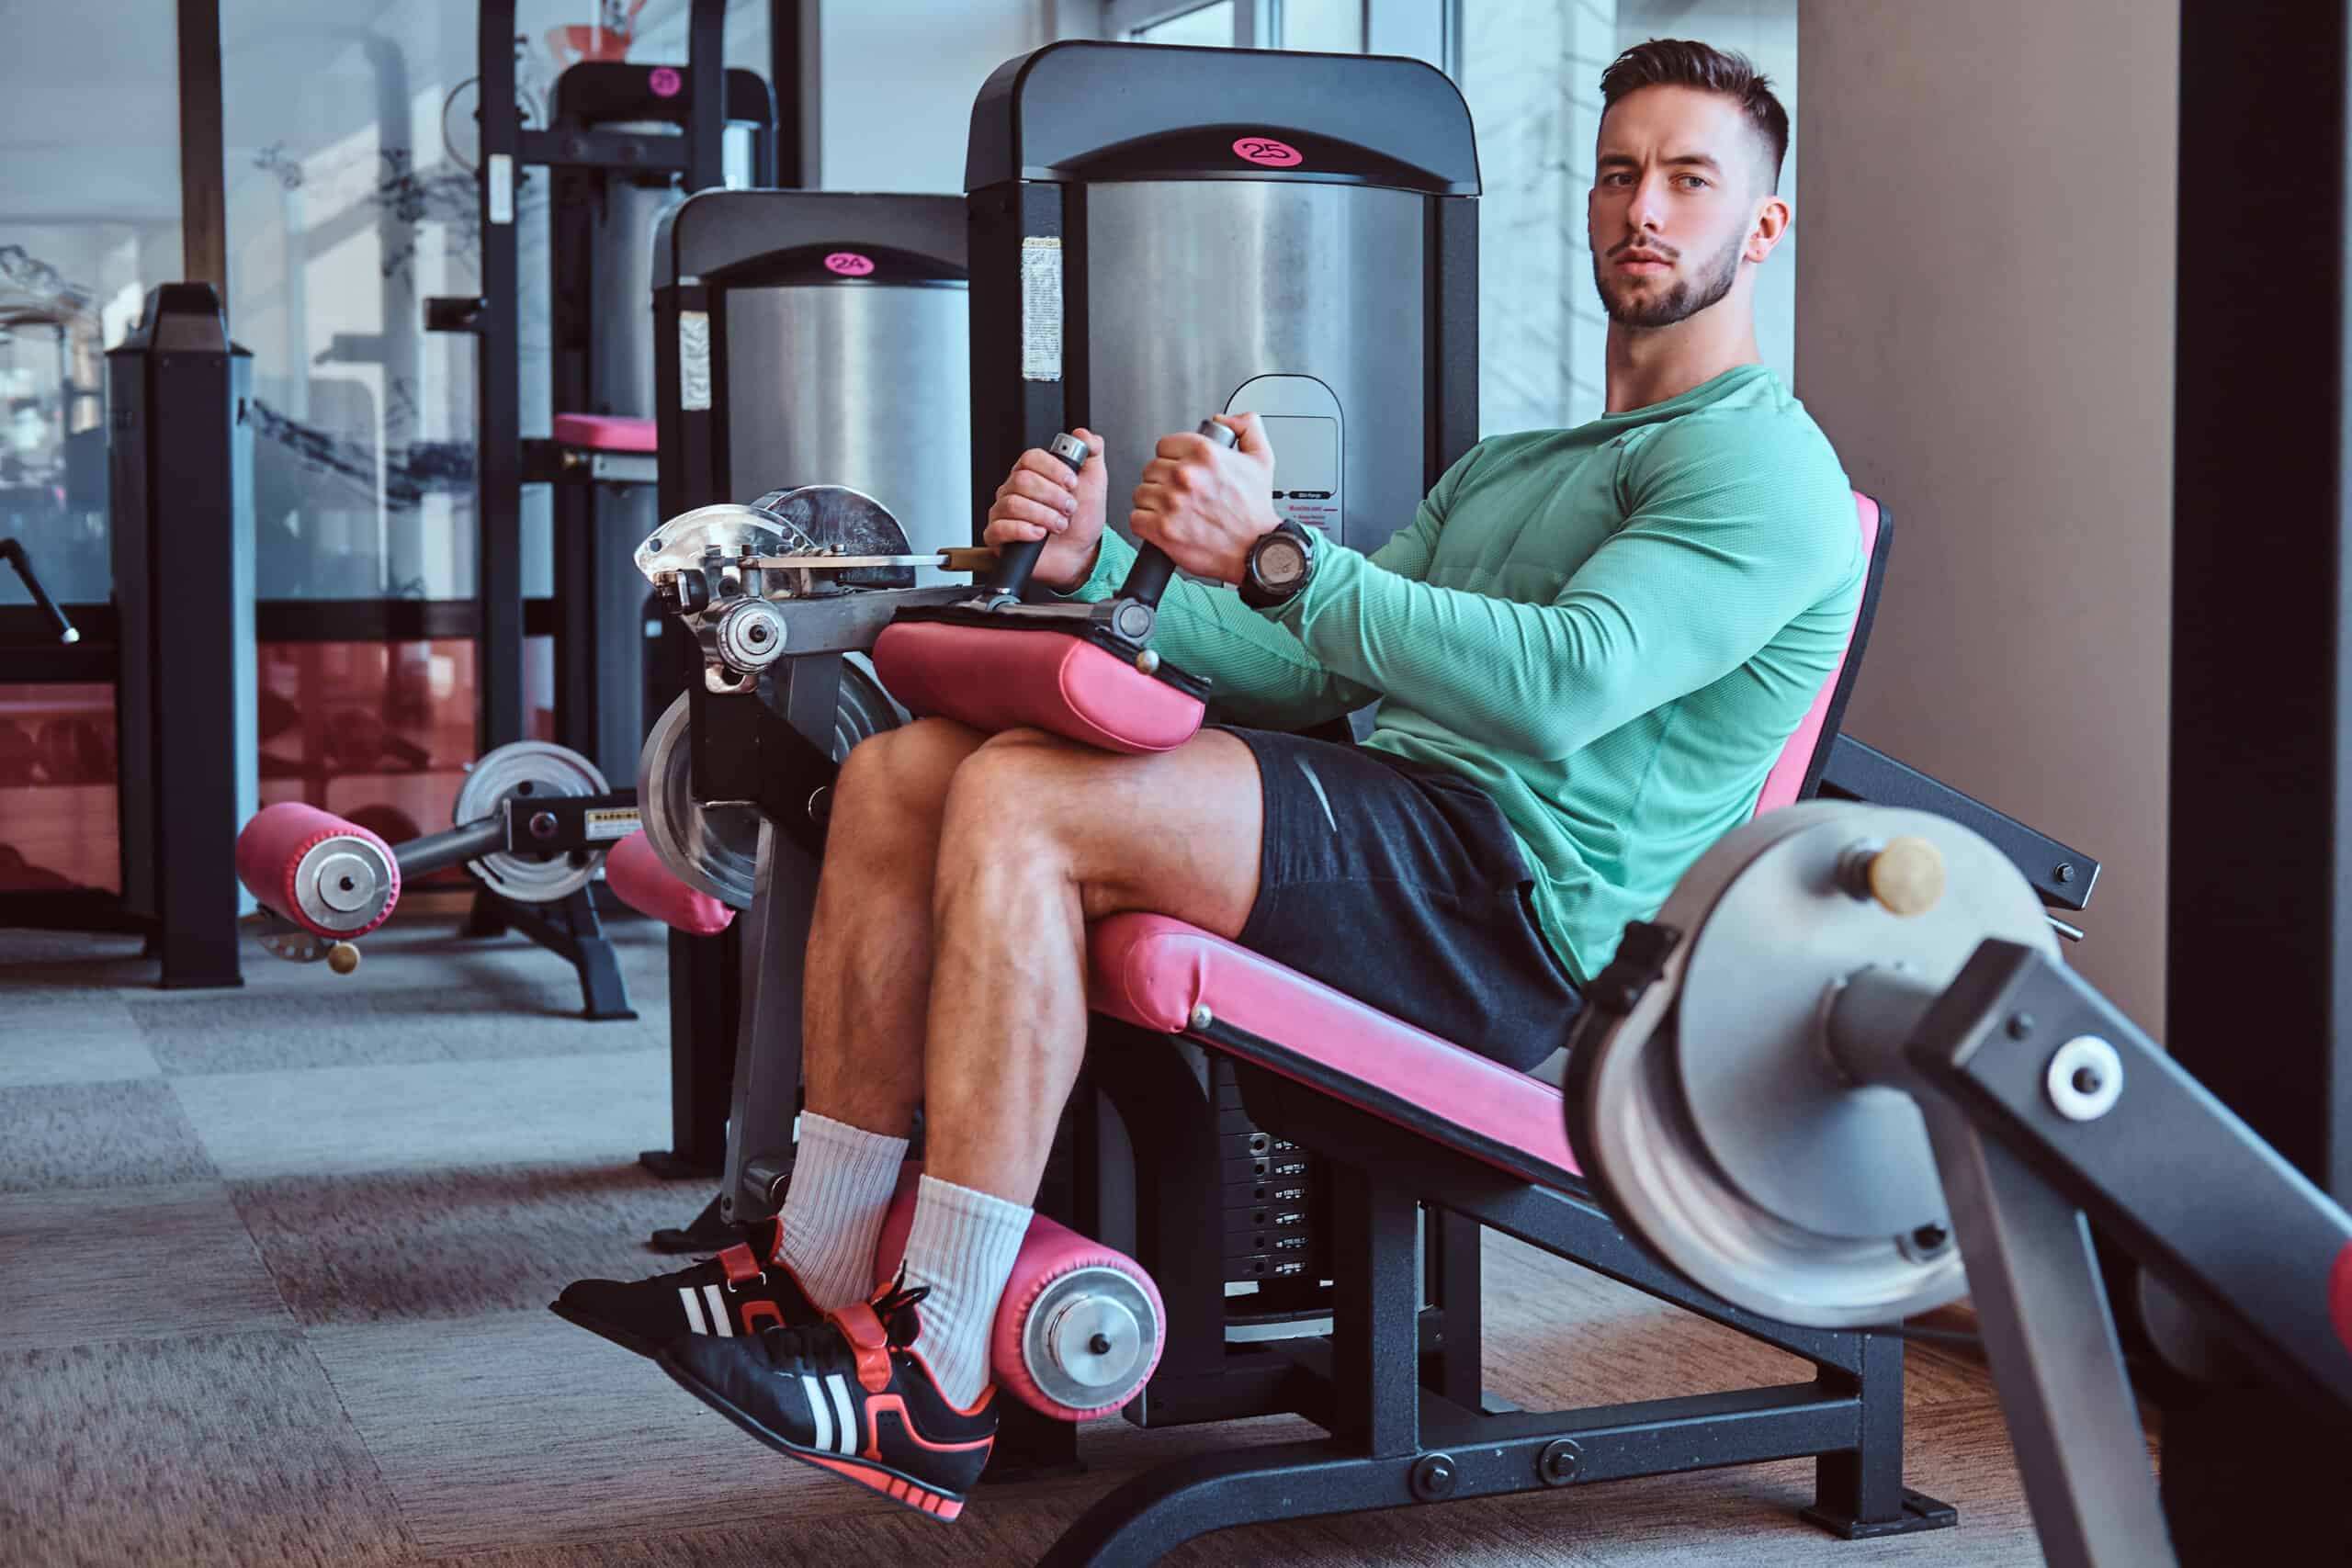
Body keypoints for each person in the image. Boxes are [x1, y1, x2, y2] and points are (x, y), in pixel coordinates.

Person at [552, 38, 1860, 1521]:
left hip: (1510, 907)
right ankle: (821, 1279)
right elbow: (1306, 675)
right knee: (910, 771)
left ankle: (934, 1373)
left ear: (1762, 226)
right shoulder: (1514, 463)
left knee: (1024, 798)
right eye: (1622, 171)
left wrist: (1284, 554)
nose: (1646, 208)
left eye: (1692, 181)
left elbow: (1564, 686)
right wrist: (1095, 567)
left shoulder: (1761, 469)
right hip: (1401, 828)